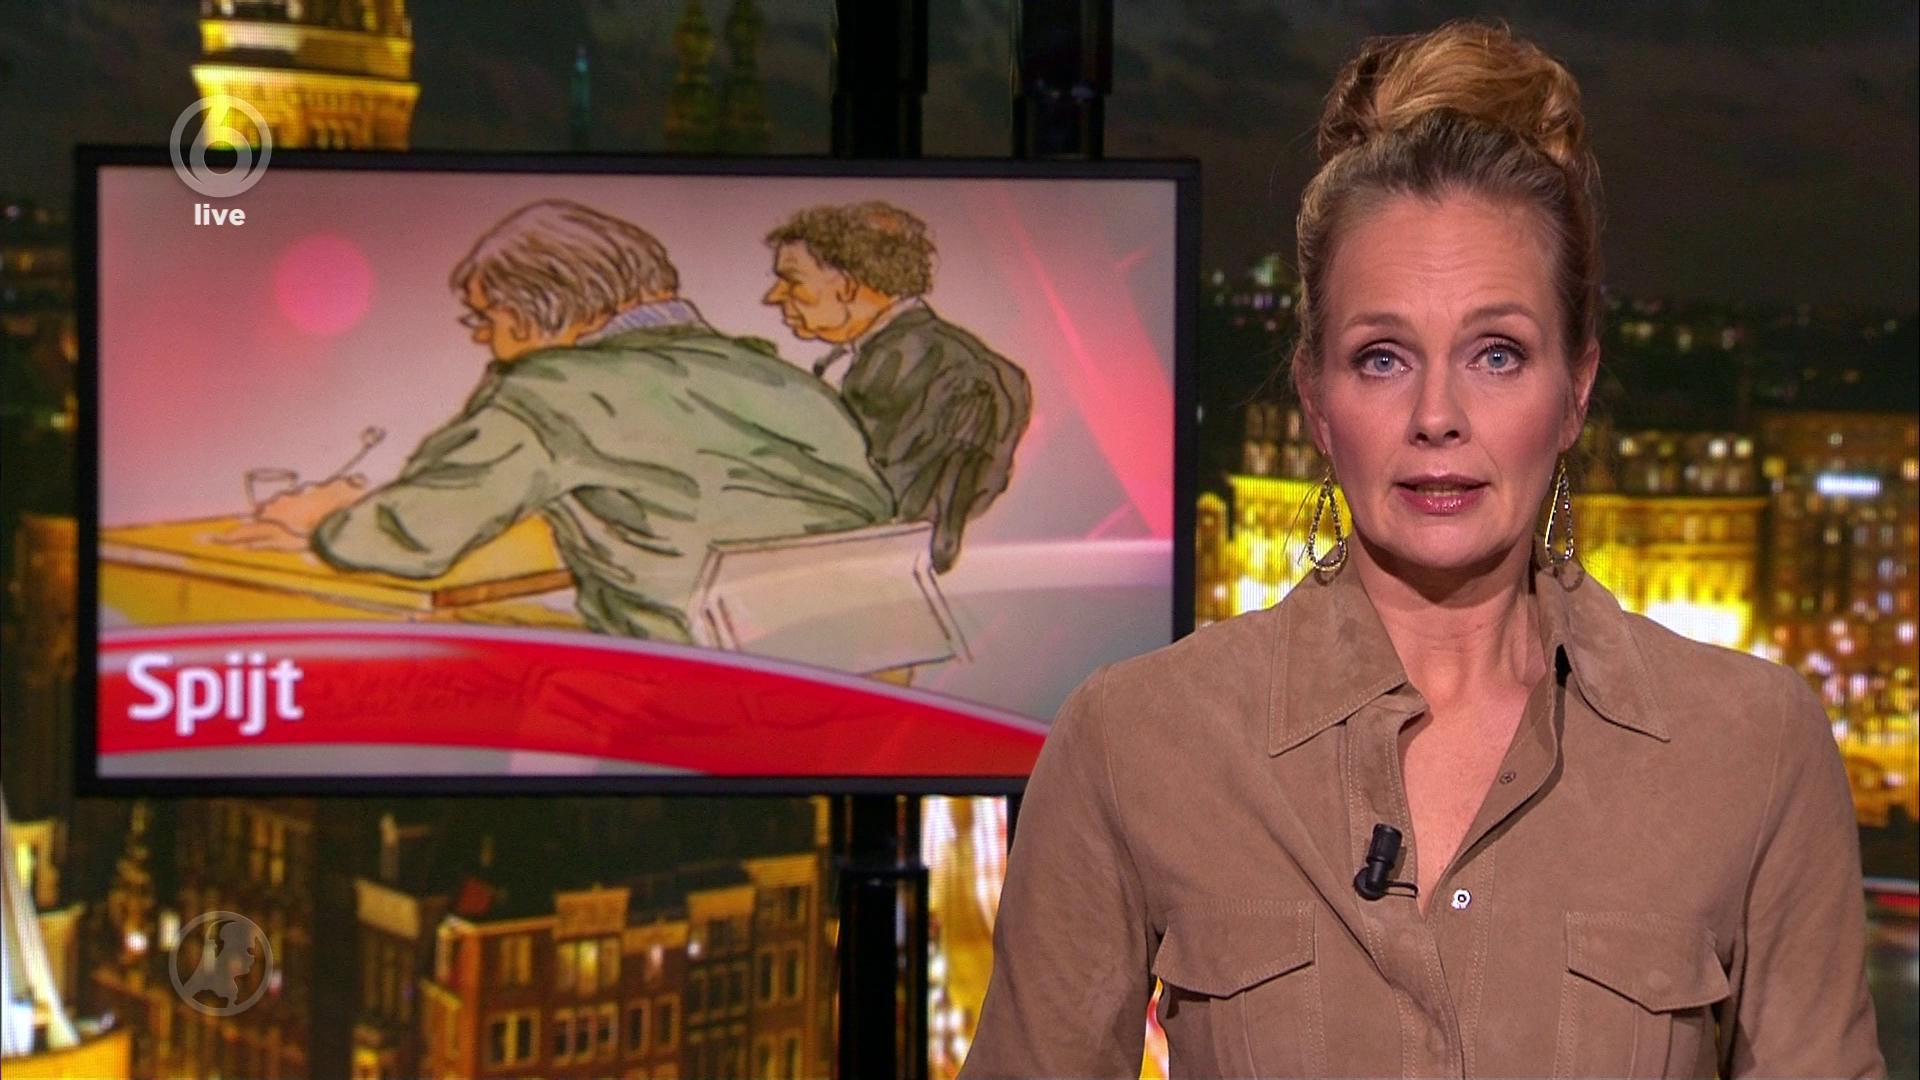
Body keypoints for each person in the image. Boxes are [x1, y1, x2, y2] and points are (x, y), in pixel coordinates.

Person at [960, 21, 1884, 1079]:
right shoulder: (1132, 744)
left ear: (1575, 391)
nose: (1437, 416)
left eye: (1497, 354)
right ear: (1315, 398)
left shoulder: (1754, 752)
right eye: (1382, 357)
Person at [227, 199, 893, 642]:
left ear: (534, 309)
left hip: (686, 688)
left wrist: (325, 519)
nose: (483, 339)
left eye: (484, 318)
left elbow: (412, 535)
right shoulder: (783, 381)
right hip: (846, 676)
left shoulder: (552, 388)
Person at [763, 201, 1031, 574]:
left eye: (792, 280)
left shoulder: (922, 372)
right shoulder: (939, 360)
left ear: (849, 285)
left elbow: (870, 513)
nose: (773, 296)